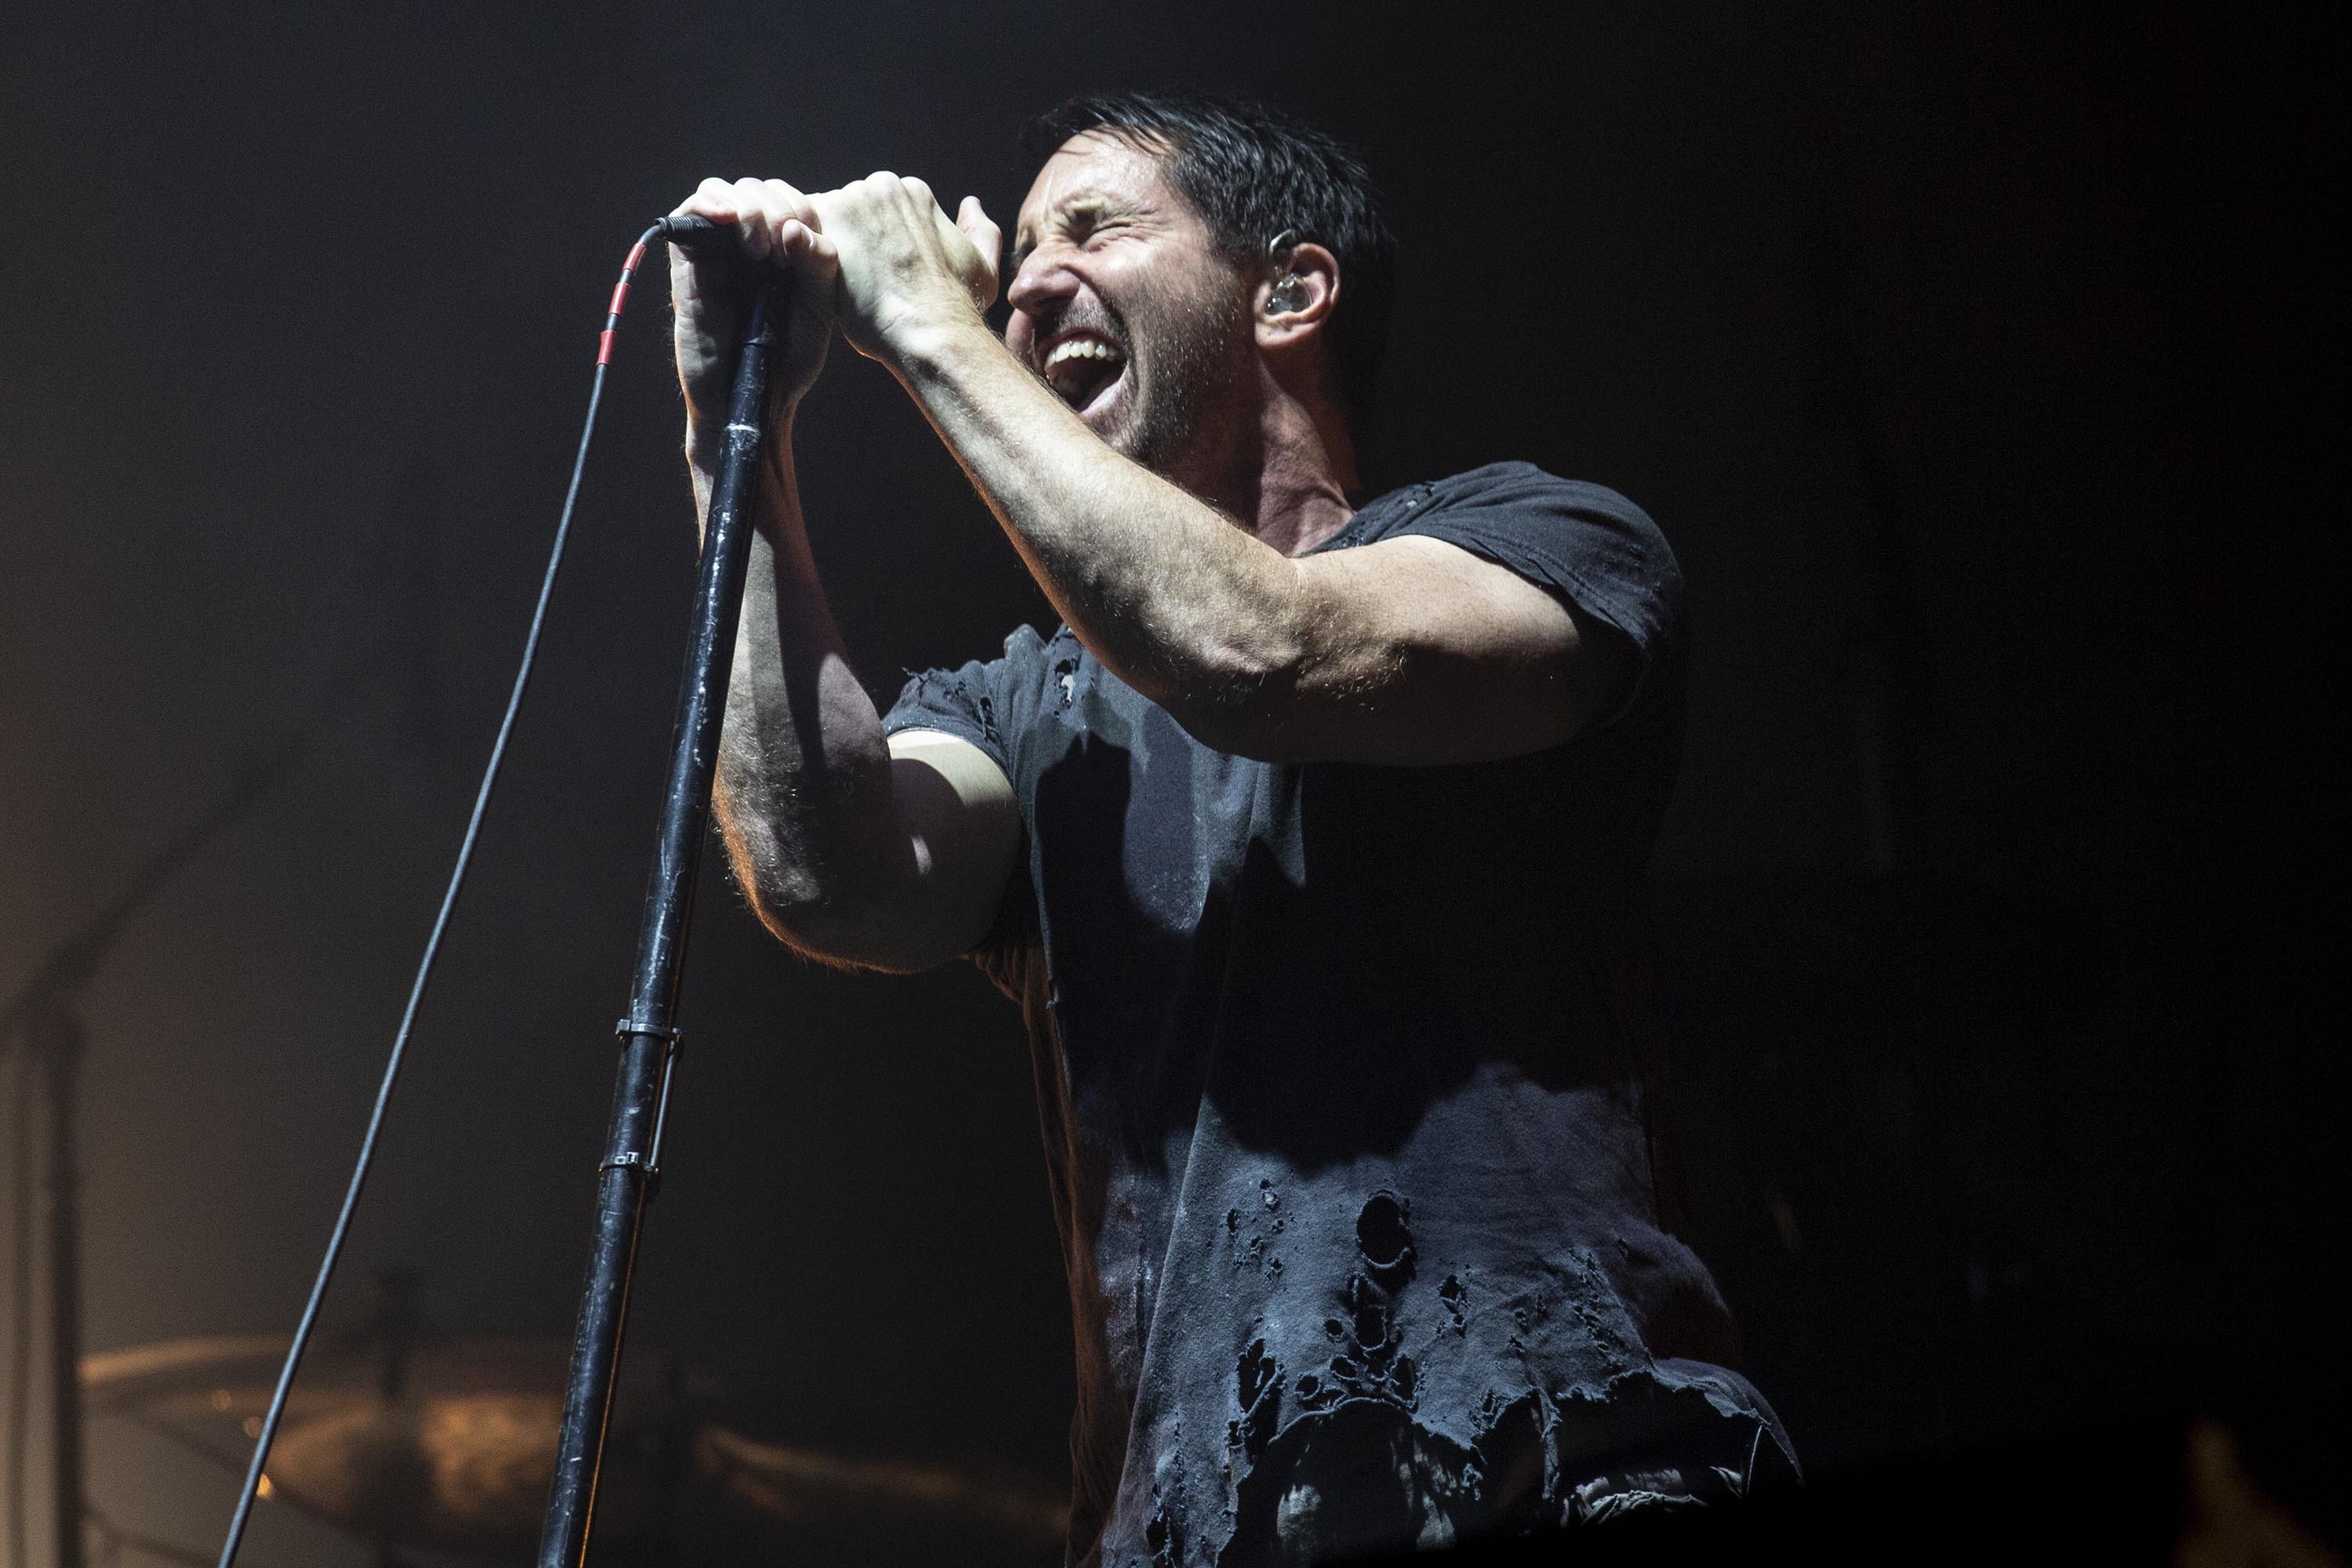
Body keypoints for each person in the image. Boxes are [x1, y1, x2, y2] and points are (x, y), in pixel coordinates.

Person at [668, 90, 1793, 1568]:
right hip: (1197, 1527)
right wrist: (733, 438)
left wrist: (927, 330)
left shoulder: (1555, 544)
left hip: (1560, 1473)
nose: (1023, 290)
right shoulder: (1030, 708)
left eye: (1093, 229)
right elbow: (831, 876)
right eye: (1015, 264)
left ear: (1290, 291)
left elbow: (1264, 653)